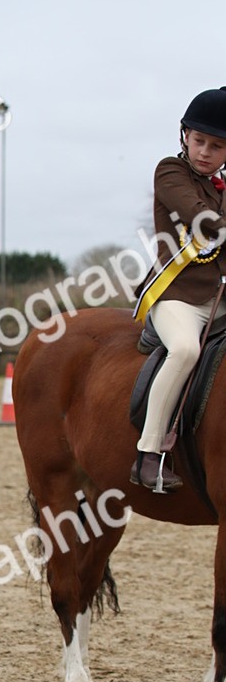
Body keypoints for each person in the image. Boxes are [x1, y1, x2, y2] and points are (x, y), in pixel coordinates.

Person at [131, 87, 226, 492]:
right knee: (186, 349)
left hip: (219, 298)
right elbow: (202, 219)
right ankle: (149, 454)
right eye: (199, 140)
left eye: (217, 146)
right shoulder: (169, 172)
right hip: (177, 297)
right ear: (184, 135)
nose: (205, 151)